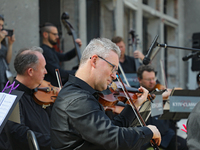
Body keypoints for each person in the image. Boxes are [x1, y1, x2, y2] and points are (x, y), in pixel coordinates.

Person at [50, 38, 161, 150]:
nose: (114, 76)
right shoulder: (78, 100)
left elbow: (109, 130)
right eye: (112, 68)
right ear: (94, 61)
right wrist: (148, 131)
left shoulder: (81, 95)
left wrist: (133, 106)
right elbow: (113, 139)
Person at [6, 46, 51, 150]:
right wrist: (56, 143)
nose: (46, 72)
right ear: (30, 71)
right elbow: (20, 134)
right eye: (43, 68)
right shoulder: (11, 96)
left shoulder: (38, 92)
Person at [137, 65, 188, 150]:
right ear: (139, 80)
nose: (152, 82)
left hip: (165, 135)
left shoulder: (160, 92)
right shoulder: (137, 95)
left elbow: (174, 118)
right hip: (146, 136)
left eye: (154, 78)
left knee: (185, 145)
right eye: (148, 79)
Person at [40, 22, 82, 87]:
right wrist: (77, 72)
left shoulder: (50, 50)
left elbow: (66, 56)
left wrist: (76, 47)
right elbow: (59, 73)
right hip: (51, 90)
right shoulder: (45, 52)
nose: (57, 37)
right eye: (54, 34)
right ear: (45, 34)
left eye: (57, 34)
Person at [0, 15, 15, 91]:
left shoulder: (2, 40)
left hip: (4, 74)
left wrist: (10, 44)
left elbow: (7, 60)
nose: (1, 28)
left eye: (2, 25)